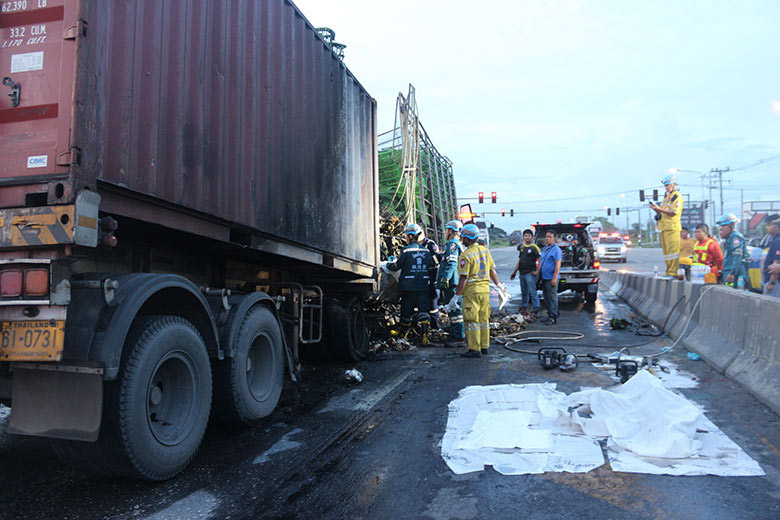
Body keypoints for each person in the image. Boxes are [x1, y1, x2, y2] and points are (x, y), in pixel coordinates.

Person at [452, 223, 500, 358]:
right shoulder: (485, 251)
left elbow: (463, 278)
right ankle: (484, 346)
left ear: (467, 239)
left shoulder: (465, 255)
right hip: (485, 291)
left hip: (472, 292)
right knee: (483, 319)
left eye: (463, 238)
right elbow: (492, 271)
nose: (462, 240)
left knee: (471, 320)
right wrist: (498, 285)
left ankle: (474, 349)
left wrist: (456, 296)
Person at [385, 223, 435, 345]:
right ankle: (424, 337)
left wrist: (388, 263)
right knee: (424, 311)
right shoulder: (426, 251)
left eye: (406, 236)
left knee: (407, 311)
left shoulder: (406, 250)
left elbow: (396, 266)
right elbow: (432, 265)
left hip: (409, 287)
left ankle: (403, 335)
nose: (406, 239)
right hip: (423, 286)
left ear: (411, 236)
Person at [437, 220, 466, 345]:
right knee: (454, 310)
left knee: (455, 310)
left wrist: (446, 278)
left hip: (452, 282)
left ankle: (459, 336)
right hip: (454, 281)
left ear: (451, 231)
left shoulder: (453, 244)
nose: (445, 232)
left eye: (446, 230)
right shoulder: (455, 244)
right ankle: (457, 333)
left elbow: (452, 262)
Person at [650, 175, 683, 277]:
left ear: (673, 185)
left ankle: (673, 272)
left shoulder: (676, 197)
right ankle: (669, 271)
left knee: (673, 251)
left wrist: (659, 209)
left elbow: (673, 212)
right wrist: (655, 209)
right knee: (667, 252)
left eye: (668, 185)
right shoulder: (666, 198)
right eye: (665, 186)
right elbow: (664, 212)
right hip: (664, 227)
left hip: (672, 227)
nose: (666, 188)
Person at [509, 229, 541, 318]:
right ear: (523, 237)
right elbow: (520, 260)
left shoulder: (534, 247)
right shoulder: (522, 247)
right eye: (525, 236)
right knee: (524, 292)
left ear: (532, 237)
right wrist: (514, 272)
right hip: (522, 273)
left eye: (529, 236)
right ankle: (524, 307)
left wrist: (537, 271)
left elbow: (538, 259)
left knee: (532, 291)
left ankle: (536, 308)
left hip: (530, 273)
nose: (527, 237)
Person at [717, 213, 749, 288]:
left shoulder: (735, 237)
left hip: (734, 276)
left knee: (733, 295)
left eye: (723, 226)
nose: (721, 230)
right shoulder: (729, 238)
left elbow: (737, 256)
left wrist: (732, 273)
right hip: (728, 273)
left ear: (732, 225)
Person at [417, 229, 441, 330]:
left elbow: (437, 260)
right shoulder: (415, 245)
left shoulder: (430, 244)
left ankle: (435, 326)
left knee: (432, 303)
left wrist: (427, 263)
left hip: (431, 279)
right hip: (420, 279)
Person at [539, 230, 562, 325]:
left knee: (552, 298)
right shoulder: (545, 248)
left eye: (550, 237)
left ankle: (553, 317)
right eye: (547, 237)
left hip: (551, 278)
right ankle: (550, 314)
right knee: (547, 298)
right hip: (544, 277)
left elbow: (558, 264)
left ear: (554, 239)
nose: (547, 238)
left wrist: (554, 278)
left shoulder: (556, 249)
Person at [762, 217, 780, 297]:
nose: (767, 227)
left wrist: (772, 282)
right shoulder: (774, 240)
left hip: (775, 282)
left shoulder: (778, 241)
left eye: (770, 225)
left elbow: (776, 263)